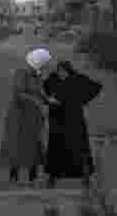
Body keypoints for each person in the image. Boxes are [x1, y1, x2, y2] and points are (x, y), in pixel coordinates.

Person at [0, 48, 58, 184]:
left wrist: (48, 100)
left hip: (33, 114)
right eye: (45, 63)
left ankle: (33, 176)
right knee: (17, 144)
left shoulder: (36, 74)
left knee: (34, 144)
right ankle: (14, 175)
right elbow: (19, 92)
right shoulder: (22, 73)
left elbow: (38, 92)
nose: (46, 66)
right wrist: (35, 101)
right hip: (19, 114)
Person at [43, 60, 102, 189]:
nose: (61, 74)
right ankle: (53, 177)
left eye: (63, 71)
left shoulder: (77, 79)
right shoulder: (52, 80)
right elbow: (42, 92)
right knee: (56, 148)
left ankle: (85, 177)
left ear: (68, 70)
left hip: (74, 119)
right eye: (59, 71)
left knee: (79, 147)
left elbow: (96, 87)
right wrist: (49, 101)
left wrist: (82, 100)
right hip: (57, 120)